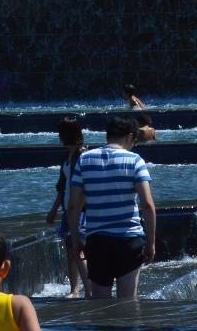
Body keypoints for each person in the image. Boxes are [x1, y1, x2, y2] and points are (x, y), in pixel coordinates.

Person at [67, 116, 156, 300]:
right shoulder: (135, 160)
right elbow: (147, 205)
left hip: (97, 240)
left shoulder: (84, 159)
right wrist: (151, 242)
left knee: (100, 303)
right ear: (130, 137)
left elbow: (74, 205)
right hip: (129, 239)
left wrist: (76, 239)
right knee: (128, 302)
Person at [45, 118, 87, 297]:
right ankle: (74, 290)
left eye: (61, 134)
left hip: (80, 210)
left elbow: (87, 185)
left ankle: (89, 288)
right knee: (71, 251)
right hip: (67, 209)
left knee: (78, 249)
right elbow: (61, 187)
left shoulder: (83, 154)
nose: (59, 137)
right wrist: (54, 209)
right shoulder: (66, 157)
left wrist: (79, 209)